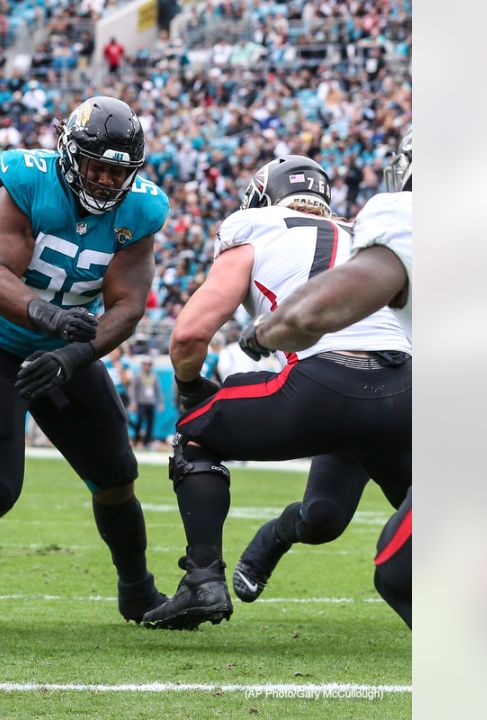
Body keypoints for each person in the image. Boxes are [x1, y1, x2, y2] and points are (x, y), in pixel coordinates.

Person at [0, 95, 170, 624]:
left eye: (117, 170)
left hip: (63, 352)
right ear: (69, 154)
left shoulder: (143, 210)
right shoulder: (26, 180)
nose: (106, 180)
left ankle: (138, 590)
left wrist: (73, 353)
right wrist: (51, 318)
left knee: (117, 476)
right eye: (97, 166)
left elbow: (128, 307)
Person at [144, 153, 411, 630]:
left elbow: (188, 335)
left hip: (321, 385)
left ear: (261, 197)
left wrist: (189, 388)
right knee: (354, 515)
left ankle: (202, 581)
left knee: (195, 431)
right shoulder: (366, 231)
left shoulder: (255, 227)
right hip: (406, 391)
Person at [239, 129, 413, 627]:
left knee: (410, 555)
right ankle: (270, 540)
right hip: (351, 385)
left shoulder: (379, 227)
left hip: (400, 389)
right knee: (323, 519)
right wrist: (274, 329)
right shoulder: (371, 235)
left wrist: (268, 332)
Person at [128, 356, 161, 449]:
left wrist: (160, 402)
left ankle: (146, 442)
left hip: (150, 402)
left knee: (150, 423)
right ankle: (136, 440)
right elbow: (134, 390)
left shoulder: (153, 376)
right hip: (141, 402)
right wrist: (133, 402)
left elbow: (157, 390)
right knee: (140, 421)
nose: (147, 366)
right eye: (145, 365)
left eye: (149, 365)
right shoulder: (138, 376)